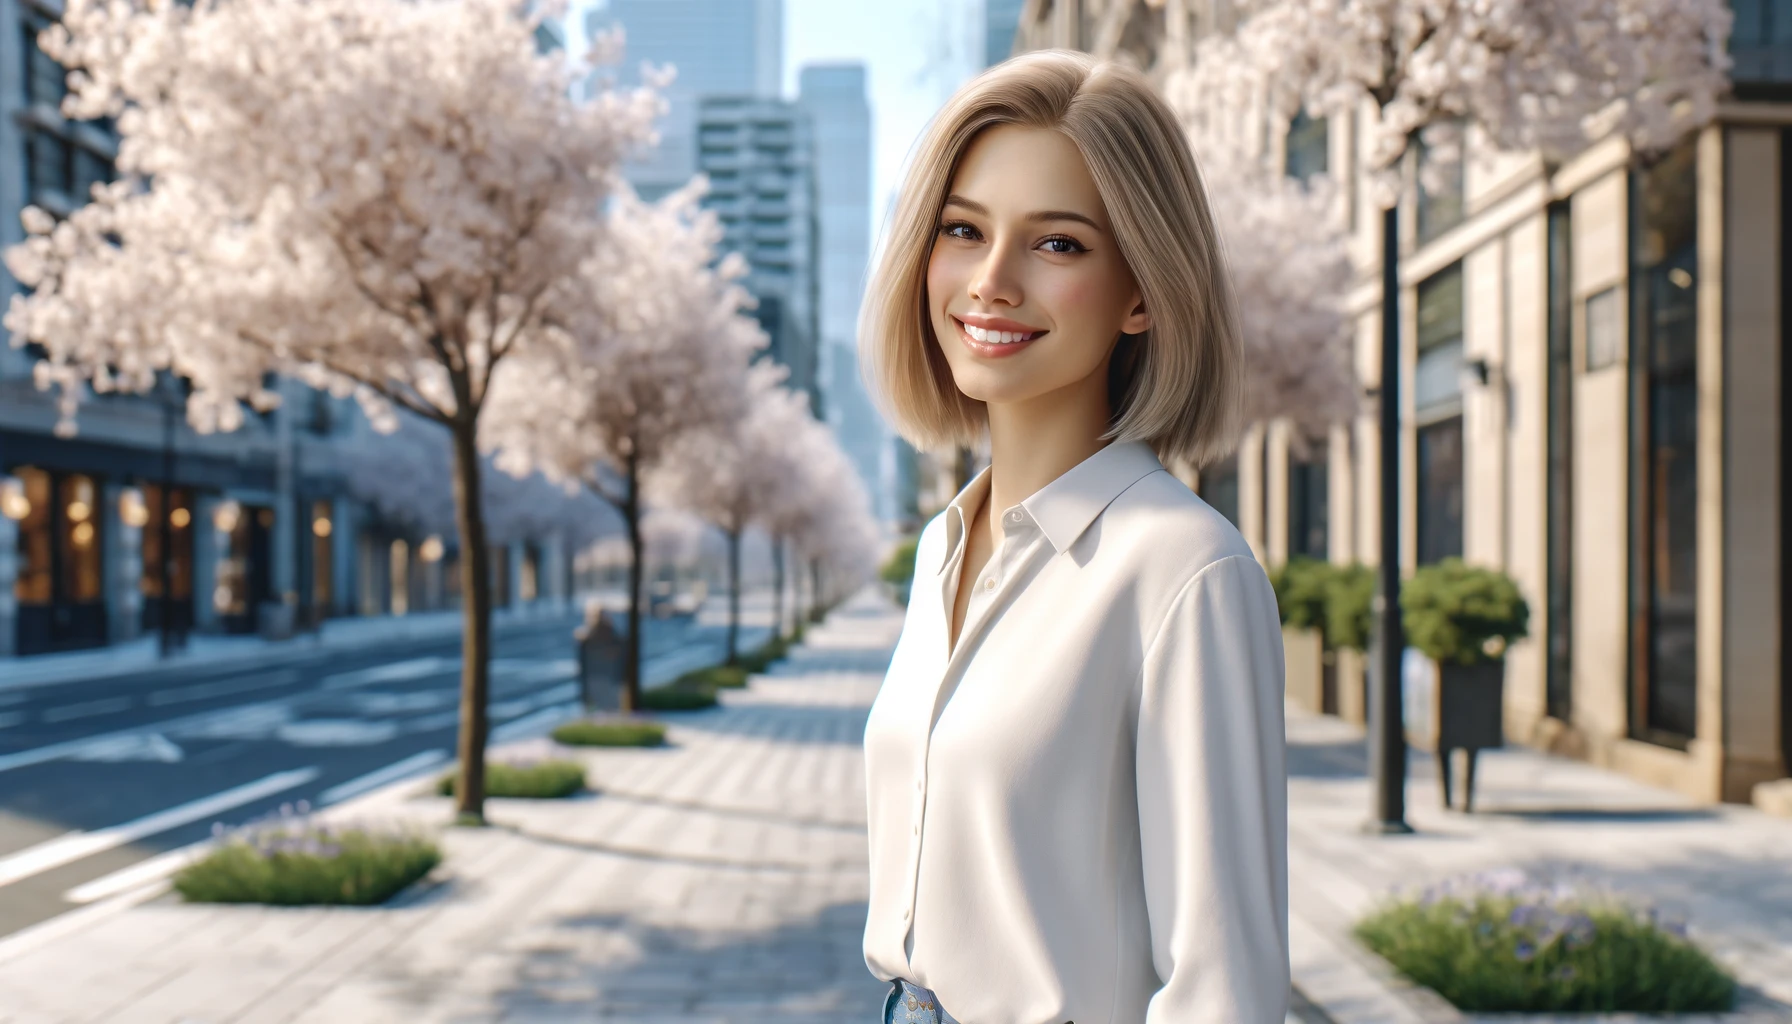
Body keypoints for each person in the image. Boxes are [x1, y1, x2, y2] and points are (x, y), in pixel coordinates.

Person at [858, 50, 1289, 1023]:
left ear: (1142, 291)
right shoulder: (941, 546)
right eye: (963, 231)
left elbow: (1226, 986)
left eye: (1056, 245)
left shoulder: (1185, 571)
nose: (991, 281)